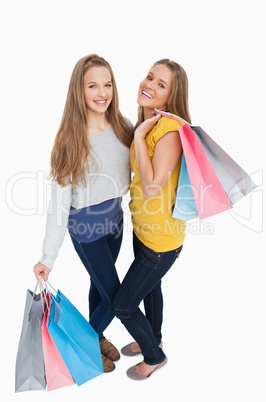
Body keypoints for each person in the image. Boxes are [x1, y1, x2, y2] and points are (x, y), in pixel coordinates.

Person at [33, 54, 133, 373]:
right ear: (80, 90)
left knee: (100, 288)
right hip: (87, 232)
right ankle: (81, 345)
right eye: (93, 85)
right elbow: (58, 205)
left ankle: (97, 336)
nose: (102, 92)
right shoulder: (69, 140)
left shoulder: (123, 126)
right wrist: (47, 257)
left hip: (116, 223)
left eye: (107, 84)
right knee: (117, 296)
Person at [113, 58, 191, 379]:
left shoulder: (169, 130)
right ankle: (152, 337)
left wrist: (142, 132)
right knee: (150, 290)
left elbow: (152, 185)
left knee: (123, 306)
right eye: (149, 77)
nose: (149, 85)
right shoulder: (146, 126)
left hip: (161, 241)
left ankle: (154, 355)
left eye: (161, 84)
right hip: (144, 231)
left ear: (170, 98)